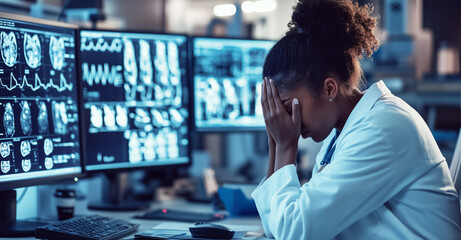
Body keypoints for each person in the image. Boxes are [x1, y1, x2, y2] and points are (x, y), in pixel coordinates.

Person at [251, 0, 461, 239]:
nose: (286, 122)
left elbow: (294, 232)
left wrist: (286, 146)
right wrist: (276, 144)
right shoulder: (341, 136)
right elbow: (276, 228)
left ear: (329, 89)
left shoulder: (381, 128)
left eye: (287, 108)